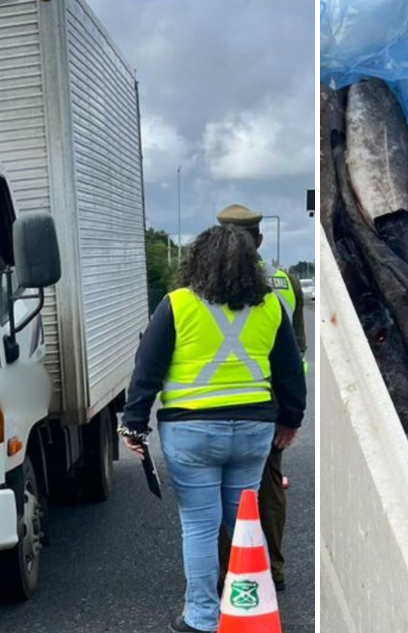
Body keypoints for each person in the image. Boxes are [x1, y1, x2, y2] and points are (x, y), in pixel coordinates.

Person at [119, 225, 306, 633]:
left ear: (197, 261)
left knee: (200, 526)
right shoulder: (271, 306)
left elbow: (146, 371)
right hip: (255, 430)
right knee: (245, 520)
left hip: (192, 431)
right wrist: (291, 420)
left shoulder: (177, 305)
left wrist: (134, 426)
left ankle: (201, 617)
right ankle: (252, 607)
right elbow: (290, 372)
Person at [215, 203, 306, 592]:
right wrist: (290, 413)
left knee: (220, 487)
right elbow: (297, 347)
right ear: (259, 240)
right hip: (269, 402)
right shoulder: (286, 282)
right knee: (266, 485)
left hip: (215, 400)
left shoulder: (200, 285)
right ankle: (272, 567)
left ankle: (229, 571)